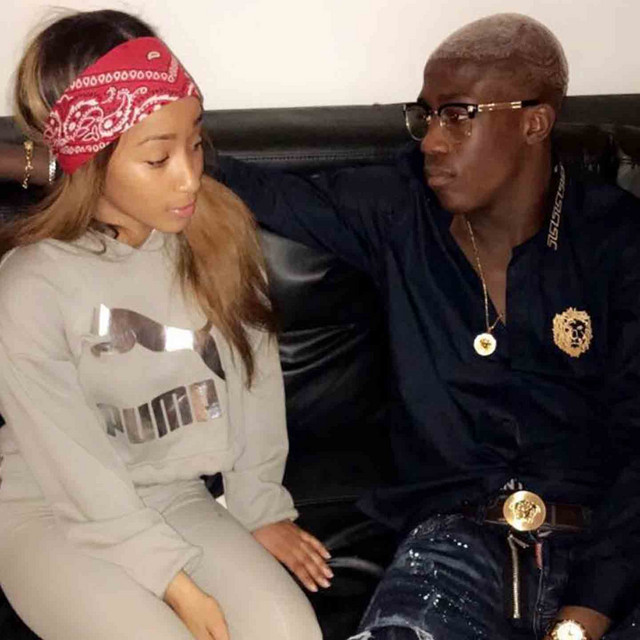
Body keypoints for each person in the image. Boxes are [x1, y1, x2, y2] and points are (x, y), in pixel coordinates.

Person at [206, 13, 640, 640]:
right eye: (427, 116)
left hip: (606, 546)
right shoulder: (398, 210)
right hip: (453, 544)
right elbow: (247, 188)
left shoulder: (615, 241)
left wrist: (588, 611)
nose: (432, 141)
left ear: (534, 122)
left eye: (458, 115)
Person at [0, 9, 330, 640]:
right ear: (91, 159)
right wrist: (177, 587)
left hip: (173, 494)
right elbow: (75, 470)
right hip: (49, 508)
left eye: (195, 143)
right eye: (158, 158)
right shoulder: (30, 285)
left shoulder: (220, 237)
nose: (190, 176)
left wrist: (259, 507)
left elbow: (257, 384)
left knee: (291, 631)